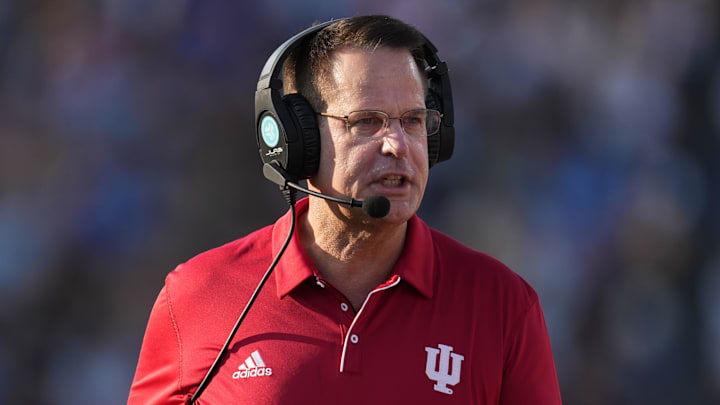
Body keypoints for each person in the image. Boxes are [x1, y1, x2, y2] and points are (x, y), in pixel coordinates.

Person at [128, 15, 562, 404]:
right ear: (297, 139)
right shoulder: (197, 295)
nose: (397, 145)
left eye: (413, 120)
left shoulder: (503, 306)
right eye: (367, 121)